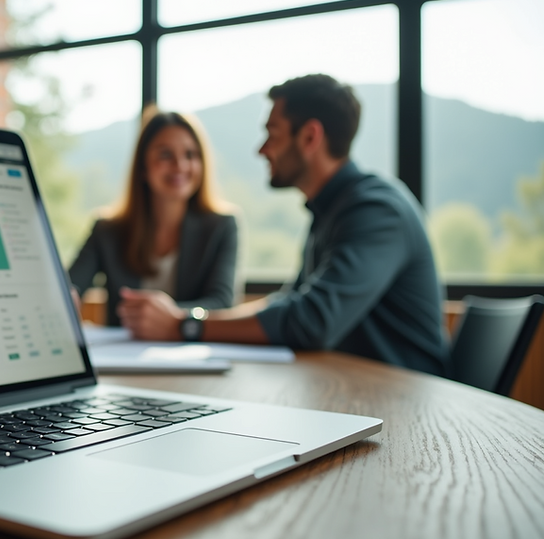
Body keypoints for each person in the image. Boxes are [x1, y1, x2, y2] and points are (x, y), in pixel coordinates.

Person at [117, 74, 448, 375]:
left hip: (409, 401)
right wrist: (187, 321)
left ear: (309, 137)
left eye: (271, 133)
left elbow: (312, 321)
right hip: (361, 387)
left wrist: (184, 326)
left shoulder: (376, 211)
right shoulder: (333, 210)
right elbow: (289, 302)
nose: (261, 150)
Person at [68, 108, 239, 329]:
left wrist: (173, 317)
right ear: (142, 167)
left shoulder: (222, 226)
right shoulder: (107, 230)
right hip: (122, 357)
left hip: (191, 355)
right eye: (166, 155)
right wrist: (66, 297)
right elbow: (72, 285)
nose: (180, 166)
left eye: (191, 154)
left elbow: (222, 304)